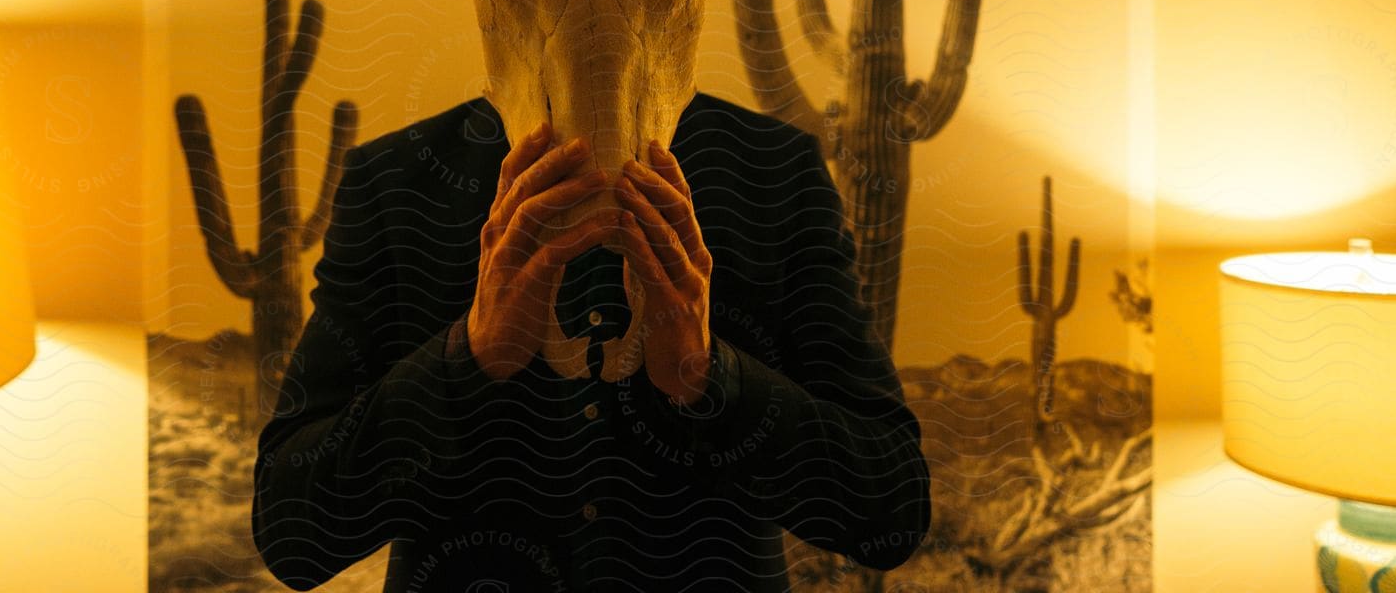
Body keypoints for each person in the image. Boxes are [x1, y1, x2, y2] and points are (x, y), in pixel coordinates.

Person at [253, 90, 930, 592]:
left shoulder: (774, 170)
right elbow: (294, 532)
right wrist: (469, 358)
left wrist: (708, 375)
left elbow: (889, 509)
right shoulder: (395, 181)